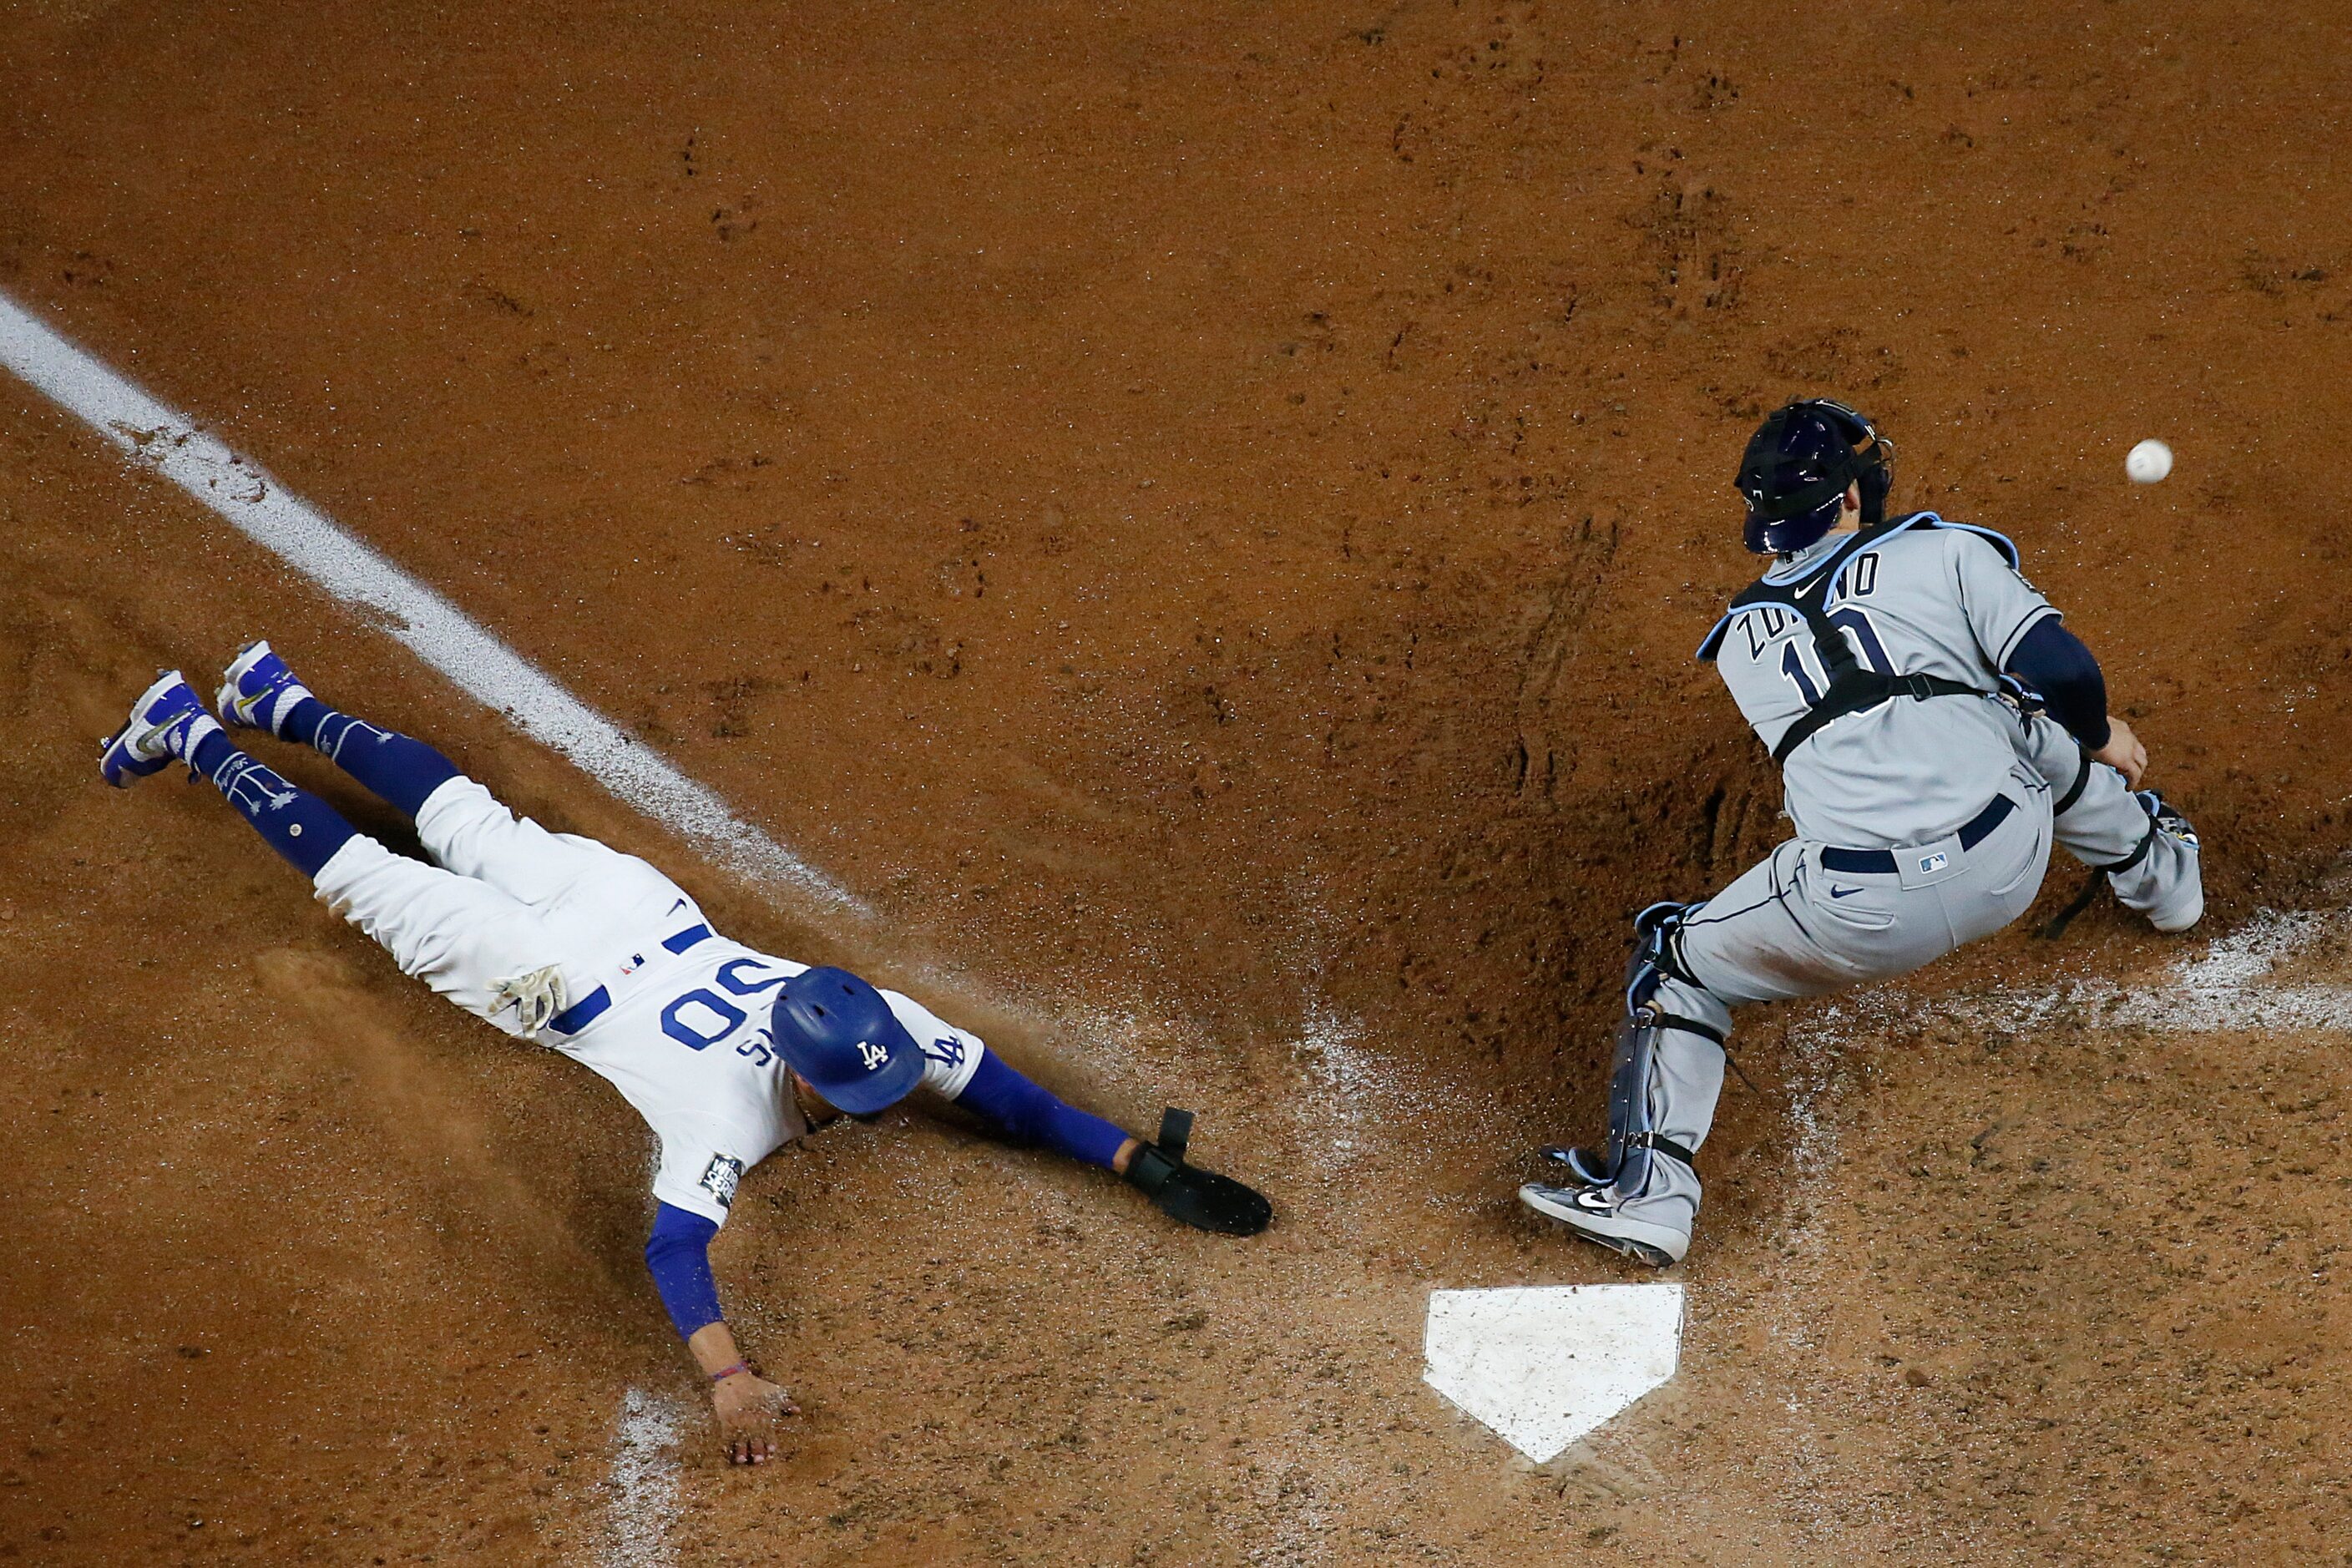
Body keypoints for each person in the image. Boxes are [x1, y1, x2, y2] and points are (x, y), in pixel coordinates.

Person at [100, 644, 1272, 1463]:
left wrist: (1133, 1159)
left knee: (464, 818)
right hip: (550, 976)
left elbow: (1005, 1095)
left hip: (634, 913)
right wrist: (728, 1376)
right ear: (806, 1068)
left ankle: (275, 694)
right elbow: (671, 1245)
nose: (879, 1094)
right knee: (376, 874)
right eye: (855, 1086)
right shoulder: (728, 1117)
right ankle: (198, 728)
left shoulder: (884, 1023)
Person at [1520, 399, 2202, 1266]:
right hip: (2008, 857)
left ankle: (1650, 1195)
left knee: (1676, 962)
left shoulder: (1738, 647)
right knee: (2020, 716)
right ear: (1850, 497)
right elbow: (2061, 668)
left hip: (1855, 916)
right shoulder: (1945, 552)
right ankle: (2168, 883)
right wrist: (2101, 735)